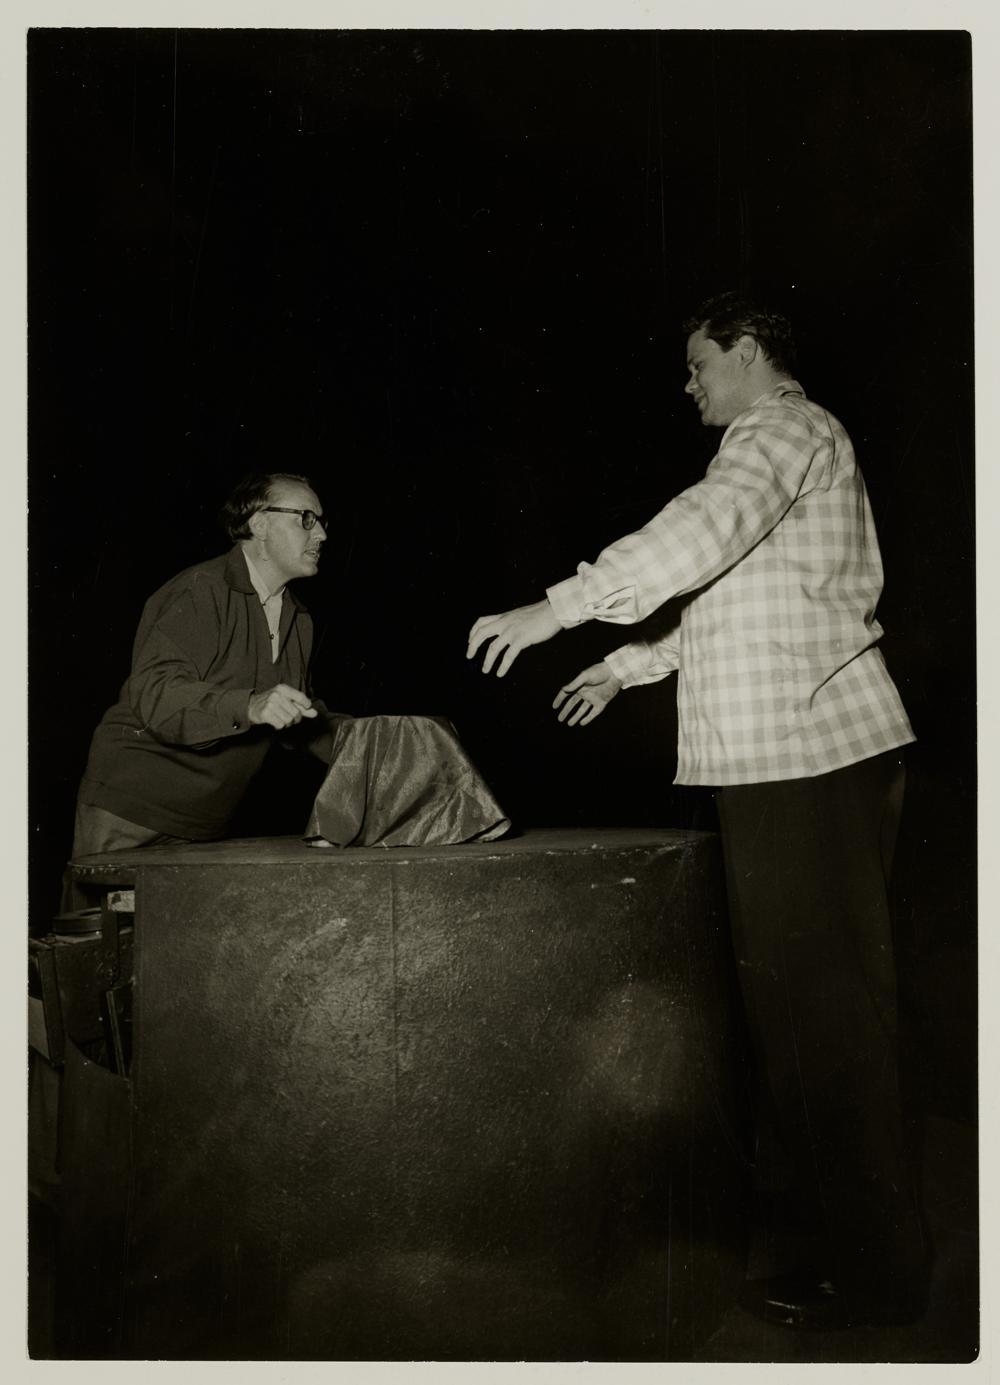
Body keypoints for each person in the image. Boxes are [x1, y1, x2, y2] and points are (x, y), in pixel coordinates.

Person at [466, 291, 928, 1330]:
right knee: (802, 1019)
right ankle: (853, 1259)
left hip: (809, 759)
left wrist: (559, 606)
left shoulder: (779, 429)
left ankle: (880, 1281)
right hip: (791, 761)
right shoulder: (788, 446)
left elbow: (704, 527)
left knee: (825, 1020)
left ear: (747, 351)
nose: (689, 386)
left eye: (698, 365)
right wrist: (624, 668)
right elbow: (727, 598)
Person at [68, 471, 336, 867]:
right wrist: (249, 705)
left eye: (322, 521)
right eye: (306, 519)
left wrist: (382, 742)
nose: (322, 535)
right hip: (132, 812)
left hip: (205, 823)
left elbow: (299, 718)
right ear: (260, 524)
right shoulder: (199, 590)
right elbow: (156, 693)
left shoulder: (299, 620)